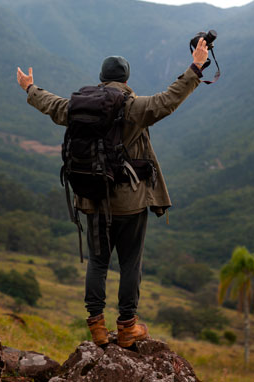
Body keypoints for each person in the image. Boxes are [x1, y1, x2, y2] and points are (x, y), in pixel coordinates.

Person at [17, 38, 208, 347]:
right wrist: (196, 67)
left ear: (101, 78)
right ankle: (128, 327)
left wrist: (29, 88)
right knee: (131, 263)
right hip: (130, 203)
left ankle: (96, 328)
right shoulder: (133, 106)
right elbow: (168, 100)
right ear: (126, 80)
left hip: (91, 197)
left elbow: (52, 105)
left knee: (98, 262)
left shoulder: (80, 106)